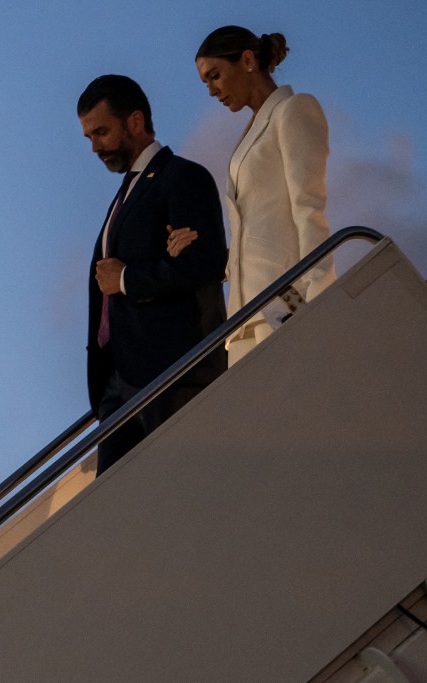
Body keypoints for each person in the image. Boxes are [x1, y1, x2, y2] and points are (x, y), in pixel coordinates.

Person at [77, 75, 228, 475]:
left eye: (102, 132)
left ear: (136, 121)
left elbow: (204, 263)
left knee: (183, 497)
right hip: (117, 385)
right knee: (118, 512)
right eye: (89, 136)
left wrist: (126, 280)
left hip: (172, 374)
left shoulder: (183, 177)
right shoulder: (123, 196)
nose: (94, 147)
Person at [168, 26, 336, 366]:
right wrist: (206, 253)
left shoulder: (293, 110)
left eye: (215, 76)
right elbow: (256, 230)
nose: (212, 91)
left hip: (288, 301)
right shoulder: (247, 135)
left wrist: (320, 295)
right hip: (246, 314)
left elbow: (309, 207)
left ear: (247, 60)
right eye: (205, 83)